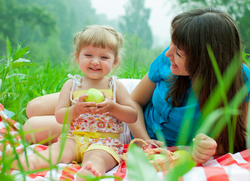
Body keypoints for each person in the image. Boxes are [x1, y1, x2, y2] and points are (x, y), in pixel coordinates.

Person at [23, 7, 250, 164]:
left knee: (30, 128)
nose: (168, 53)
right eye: (171, 45)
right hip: (130, 103)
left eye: (178, 52)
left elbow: (236, 138)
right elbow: (136, 101)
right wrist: (143, 138)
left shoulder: (239, 81)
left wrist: (207, 149)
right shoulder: (167, 60)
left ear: (206, 60)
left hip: (121, 126)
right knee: (33, 107)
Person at [13, 25, 137, 180]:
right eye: (88, 55)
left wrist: (113, 107)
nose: (95, 62)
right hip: (75, 138)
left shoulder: (115, 86)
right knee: (56, 151)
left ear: (115, 62)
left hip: (105, 141)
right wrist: (75, 110)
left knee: (97, 157)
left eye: (104, 57)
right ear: (77, 57)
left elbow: (133, 115)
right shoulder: (72, 85)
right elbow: (60, 116)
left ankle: (89, 172)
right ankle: (30, 162)